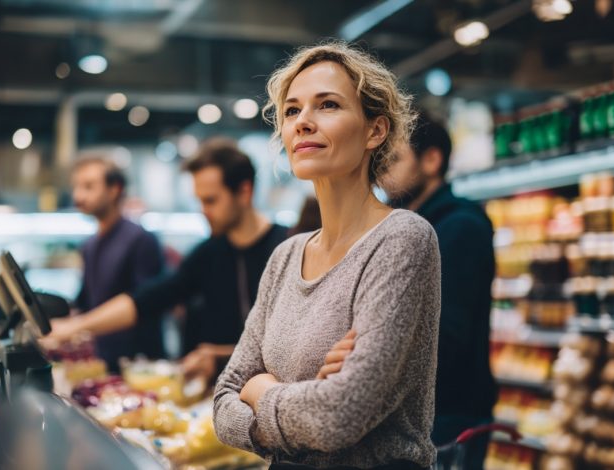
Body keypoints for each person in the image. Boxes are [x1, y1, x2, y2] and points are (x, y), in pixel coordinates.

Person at [213, 42, 441, 469]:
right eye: (291, 111)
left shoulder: (402, 238)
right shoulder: (285, 257)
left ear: (375, 131)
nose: (303, 122)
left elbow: (337, 418)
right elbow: (223, 403)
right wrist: (307, 401)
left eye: (328, 105)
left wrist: (262, 391)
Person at [48, 139, 289, 383]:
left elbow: (291, 346)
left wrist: (223, 357)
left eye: (211, 200)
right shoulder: (208, 252)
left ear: (244, 192)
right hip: (220, 394)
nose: (203, 210)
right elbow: (150, 298)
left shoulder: (288, 249)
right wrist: (74, 327)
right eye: (199, 200)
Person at [379, 113, 497, 470]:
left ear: (431, 160)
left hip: (448, 415)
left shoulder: (460, 226)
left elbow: (445, 334)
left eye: (394, 159)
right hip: (414, 412)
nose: (382, 171)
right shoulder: (401, 226)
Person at [70, 156, 165, 371]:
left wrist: (75, 327)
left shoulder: (141, 240)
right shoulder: (89, 246)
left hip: (140, 368)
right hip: (103, 363)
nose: (78, 196)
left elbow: (147, 304)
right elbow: (85, 302)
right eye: (76, 187)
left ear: (114, 189)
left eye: (88, 186)